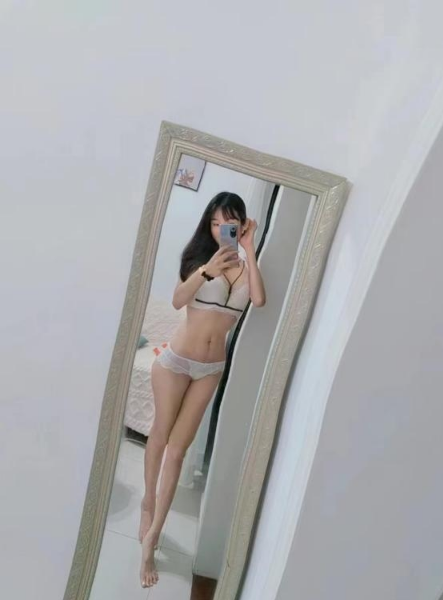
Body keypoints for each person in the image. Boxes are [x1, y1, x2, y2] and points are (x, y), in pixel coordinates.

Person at [139, 191, 266, 588]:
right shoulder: (197, 261)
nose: (220, 229)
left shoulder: (245, 267)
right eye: (215, 222)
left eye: (229, 222)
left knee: (178, 451)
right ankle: (147, 502)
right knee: (160, 436)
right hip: (175, 362)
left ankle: (153, 535)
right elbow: (179, 301)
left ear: (242, 223)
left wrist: (249, 249)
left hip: (210, 368)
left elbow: (259, 300)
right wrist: (208, 271)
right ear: (207, 225)